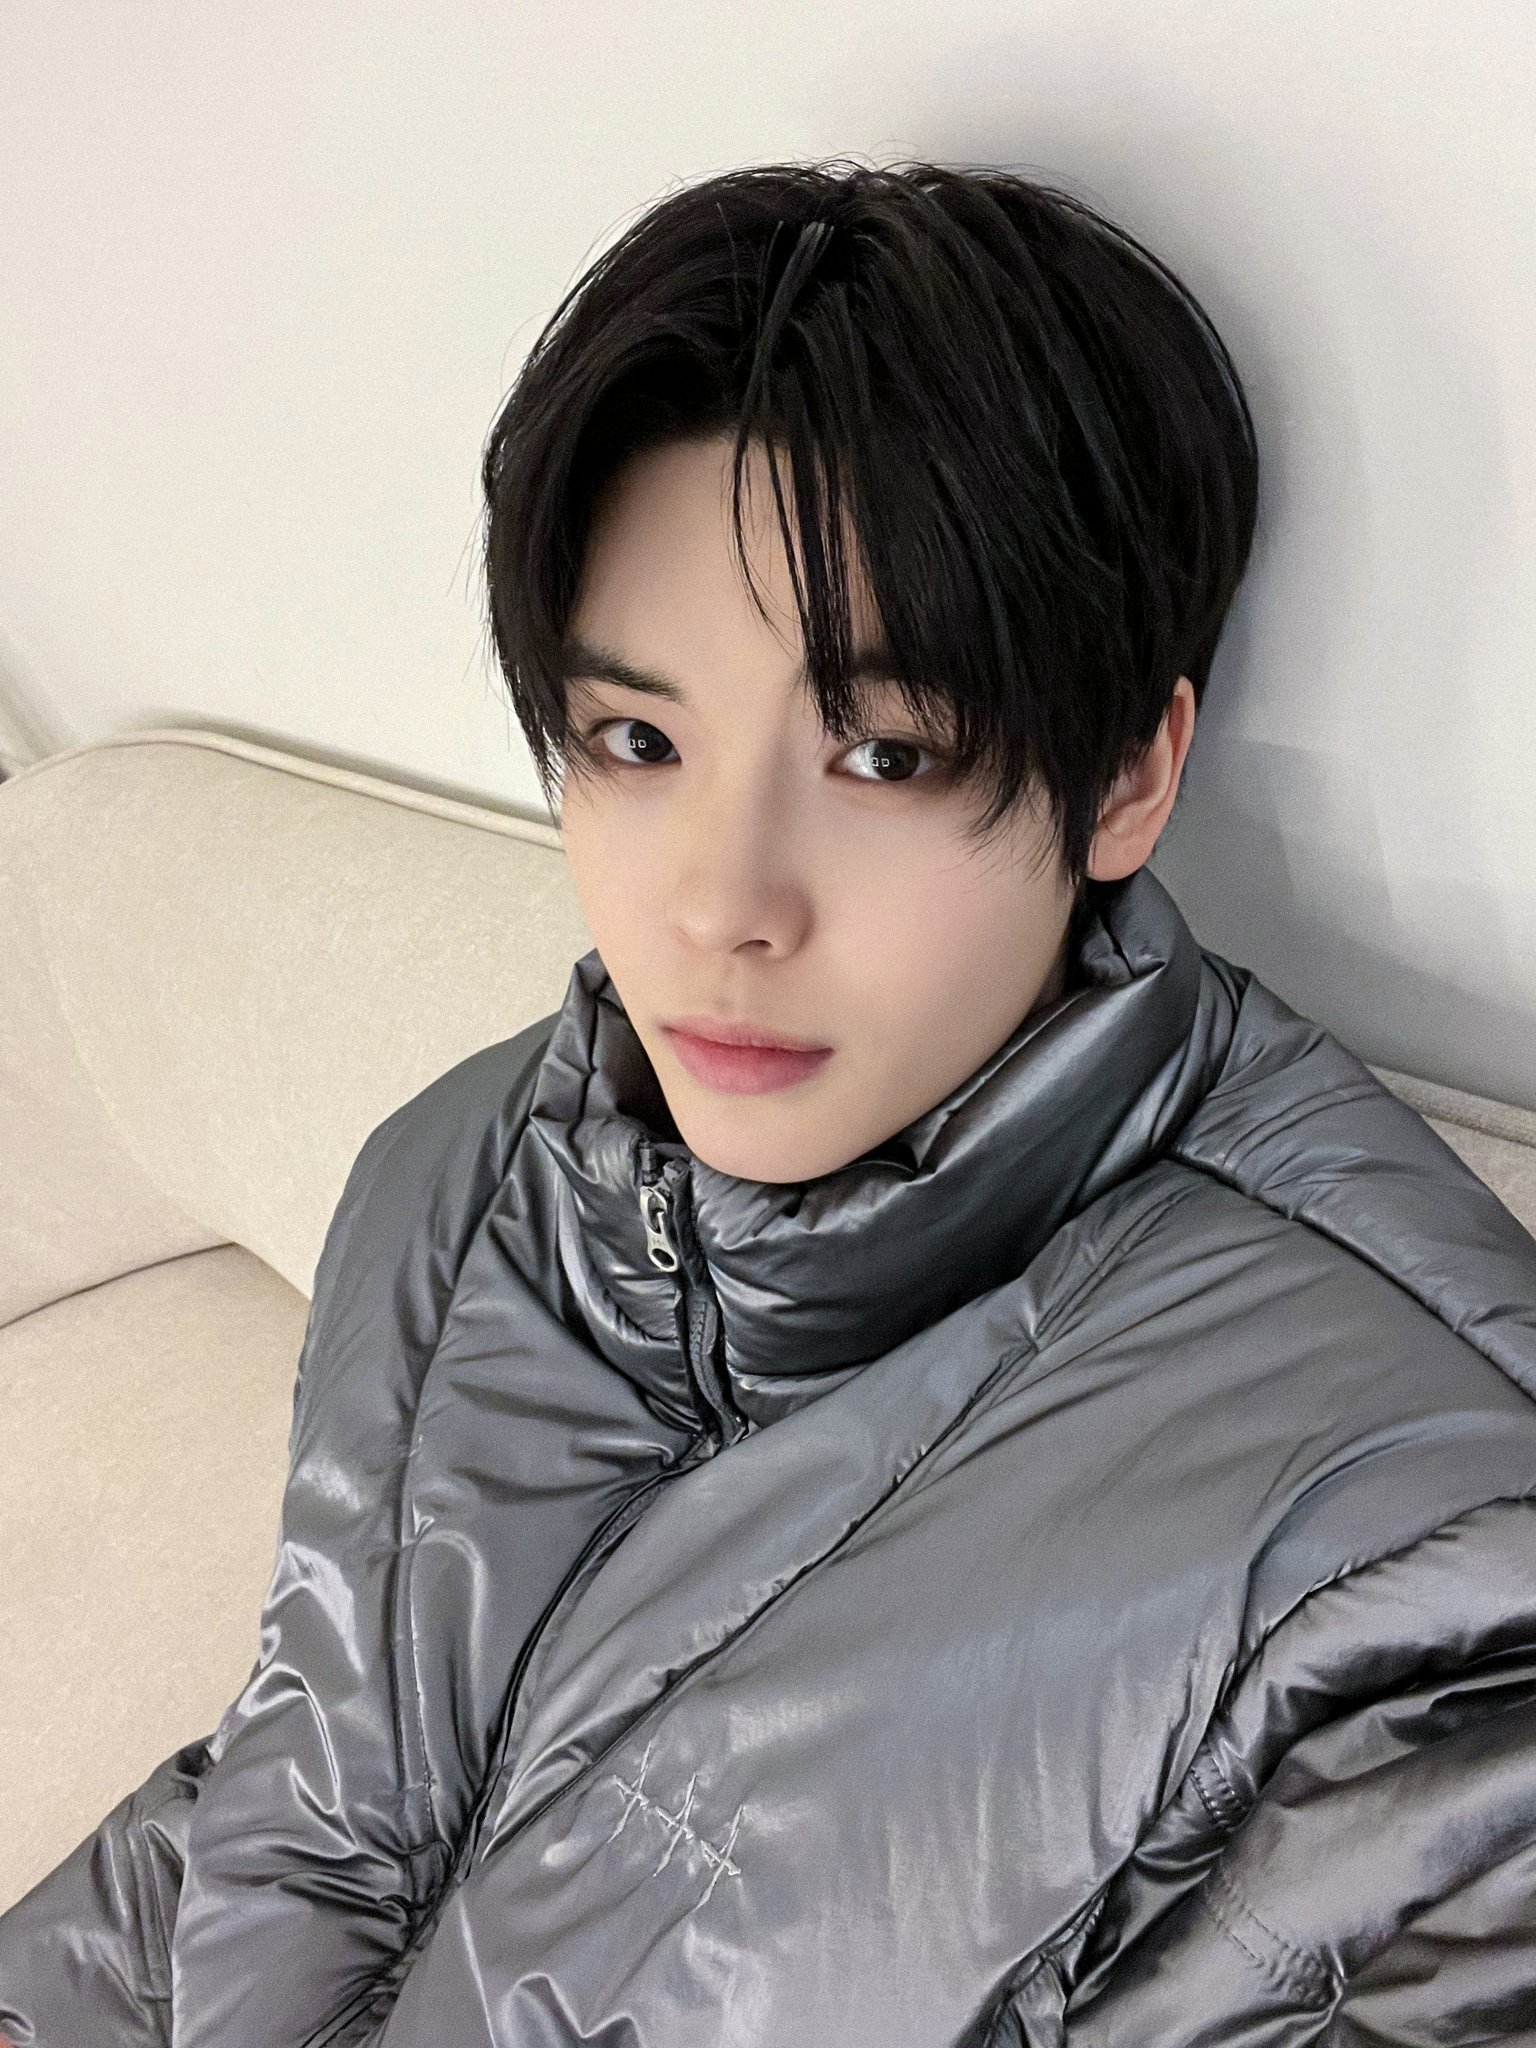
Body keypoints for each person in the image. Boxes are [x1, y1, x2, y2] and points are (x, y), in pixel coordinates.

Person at [3, 158, 1535, 2047]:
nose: (721, 905)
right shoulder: (471, 1165)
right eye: (639, 740)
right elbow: (298, 1791)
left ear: (1128, 777)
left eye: (882, 754)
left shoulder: (1434, 1559)